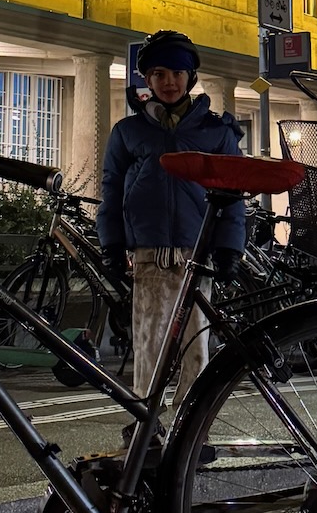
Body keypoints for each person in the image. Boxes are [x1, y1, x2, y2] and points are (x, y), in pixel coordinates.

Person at [98, 29, 244, 418]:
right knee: (149, 343)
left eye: (178, 73)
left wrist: (230, 247)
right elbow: (111, 190)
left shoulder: (217, 131)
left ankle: (189, 429)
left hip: (198, 251)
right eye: (159, 73)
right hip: (148, 252)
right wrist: (111, 244)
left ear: (191, 78)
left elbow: (232, 195)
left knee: (196, 345)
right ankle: (147, 426)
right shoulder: (128, 132)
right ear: (146, 80)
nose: (169, 82)